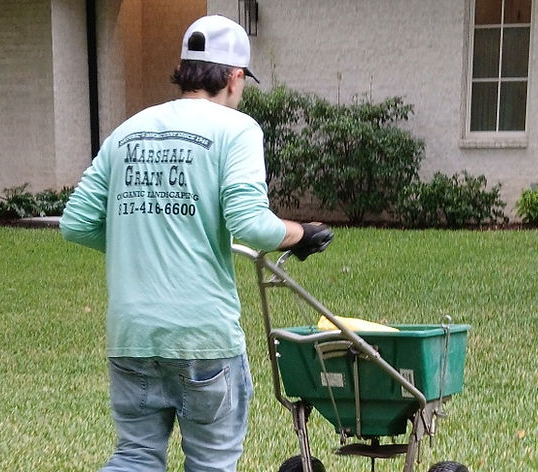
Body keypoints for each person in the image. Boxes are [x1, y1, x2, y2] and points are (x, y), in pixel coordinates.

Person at [60, 15, 333, 472]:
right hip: (202, 339)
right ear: (234, 76)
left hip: (131, 336)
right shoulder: (236, 129)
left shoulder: (129, 131)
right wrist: (302, 232)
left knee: (135, 456)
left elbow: (76, 223)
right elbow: (252, 225)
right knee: (211, 462)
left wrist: (145, 246)